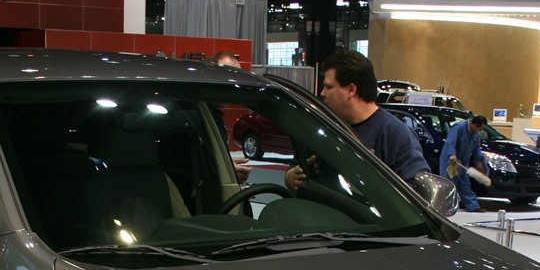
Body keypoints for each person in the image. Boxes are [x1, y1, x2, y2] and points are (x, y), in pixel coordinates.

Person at [284, 49, 428, 192]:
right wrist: (290, 176)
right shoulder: (323, 128)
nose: (322, 93)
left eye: (329, 87)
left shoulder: (395, 134)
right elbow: (296, 165)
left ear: (351, 90)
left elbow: (418, 190)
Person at [208, 51, 251, 184]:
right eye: (225, 77)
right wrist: (225, 171)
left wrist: (227, 165)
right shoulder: (195, 116)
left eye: (235, 79)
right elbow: (186, 164)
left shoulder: (213, 115)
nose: (231, 84)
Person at [438, 113, 487, 212]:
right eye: (480, 129)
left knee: (465, 184)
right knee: (448, 183)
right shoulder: (459, 128)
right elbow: (450, 142)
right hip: (451, 161)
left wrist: (479, 161)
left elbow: (476, 149)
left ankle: (473, 206)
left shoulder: (476, 134)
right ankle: (442, 206)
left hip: (463, 162)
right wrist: (452, 154)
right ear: (474, 125)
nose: (480, 131)